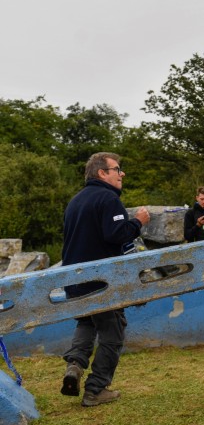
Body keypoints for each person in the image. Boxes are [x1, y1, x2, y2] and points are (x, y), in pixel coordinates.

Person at [61, 152, 151, 407]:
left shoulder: (75, 201)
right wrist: (138, 222)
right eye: (117, 169)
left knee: (87, 322)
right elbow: (117, 234)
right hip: (101, 282)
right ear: (102, 173)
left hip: (74, 280)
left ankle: (75, 365)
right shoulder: (108, 198)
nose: (122, 174)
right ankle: (96, 389)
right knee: (113, 332)